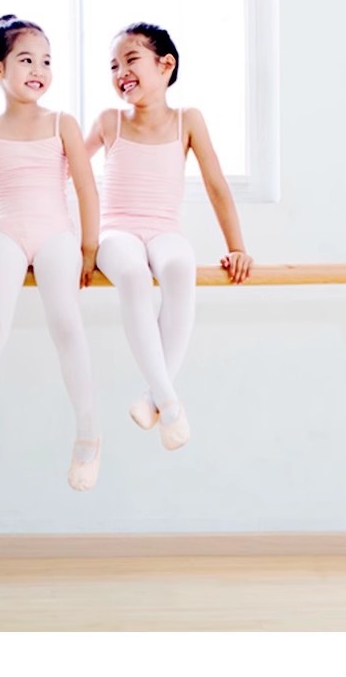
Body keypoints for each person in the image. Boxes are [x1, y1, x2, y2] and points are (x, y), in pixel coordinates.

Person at [0, 15, 101, 493]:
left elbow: (85, 186)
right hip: (6, 233)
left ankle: (88, 434)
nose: (39, 69)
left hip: (56, 233)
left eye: (46, 61)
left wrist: (89, 246)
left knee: (67, 324)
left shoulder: (62, 123)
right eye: (26, 60)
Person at [85, 22, 253, 451]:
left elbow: (216, 185)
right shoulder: (109, 121)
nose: (120, 71)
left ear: (165, 65)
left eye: (130, 60)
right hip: (117, 231)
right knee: (134, 277)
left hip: (164, 229)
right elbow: (66, 171)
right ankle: (170, 404)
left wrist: (237, 247)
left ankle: (153, 396)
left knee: (180, 268)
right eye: (113, 66)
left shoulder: (187, 120)